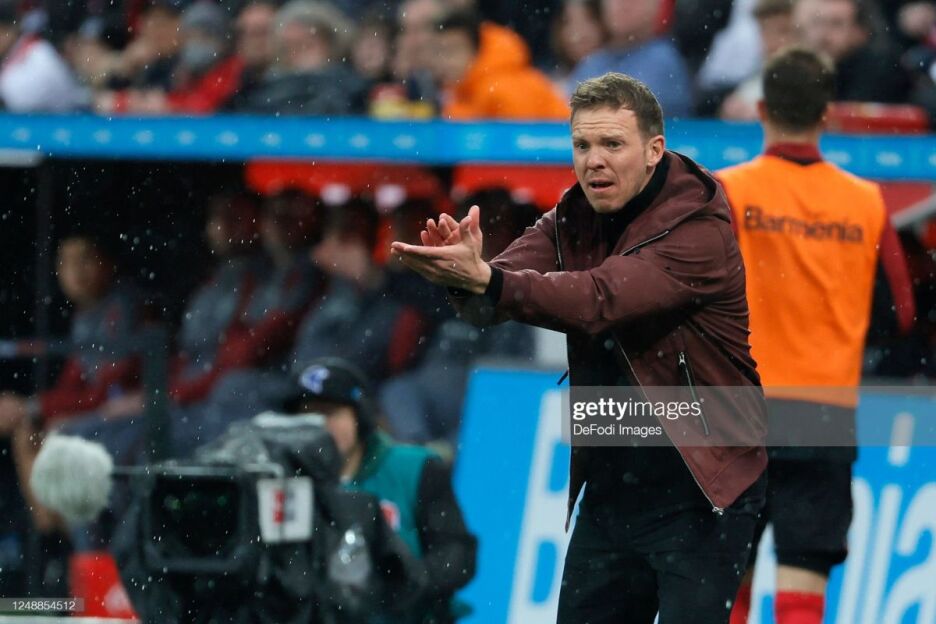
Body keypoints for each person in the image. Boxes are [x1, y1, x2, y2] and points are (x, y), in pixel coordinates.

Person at [392, 71, 768, 623]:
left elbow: (598, 299)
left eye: (612, 144)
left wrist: (490, 281)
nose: (594, 161)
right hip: (615, 484)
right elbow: (494, 300)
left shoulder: (698, 228)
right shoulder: (572, 216)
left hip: (704, 485)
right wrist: (465, 276)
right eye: (582, 145)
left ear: (654, 150)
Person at [717, 47, 916, 624]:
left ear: (762, 109)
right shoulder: (864, 201)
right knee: (803, 576)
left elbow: (693, 292)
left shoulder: (729, 191)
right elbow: (900, 313)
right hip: (823, 412)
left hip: (738, 408)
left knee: (725, 576)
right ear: (827, 113)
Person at [295, 357, 477, 624]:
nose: (321, 426)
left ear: (360, 418)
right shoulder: (283, 478)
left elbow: (456, 555)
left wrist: (406, 584)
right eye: (308, 415)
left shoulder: (415, 469)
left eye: (331, 413)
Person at [432, 10, 569, 120]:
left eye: (452, 51)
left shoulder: (501, 88)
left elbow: (523, 141)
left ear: (477, 50)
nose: (444, 61)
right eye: (439, 52)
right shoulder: (463, 92)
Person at [569, 0, 692, 117]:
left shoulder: (663, 60)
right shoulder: (594, 61)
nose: (621, 4)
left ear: (656, 6)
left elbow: (624, 119)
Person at [793, 0, 911, 104]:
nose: (823, 35)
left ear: (860, 32)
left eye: (836, 24)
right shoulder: (800, 68)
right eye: (818, 23)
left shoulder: (881, 70)